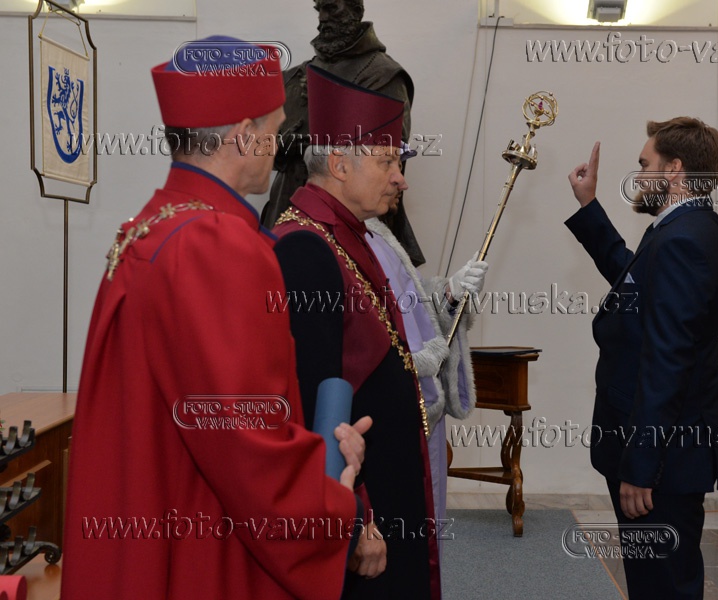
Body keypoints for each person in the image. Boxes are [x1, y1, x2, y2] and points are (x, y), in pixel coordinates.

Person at [61, 37, 384, 600]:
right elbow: (246, 443)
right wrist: (336, 501)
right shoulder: (216, 244)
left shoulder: (151, 226)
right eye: (275, 129)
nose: (278, 145)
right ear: (242, 134)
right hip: (208, 543)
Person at [271, 65, 439, 599]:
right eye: (388, 161)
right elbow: (310, 407)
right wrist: (354, 517)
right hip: (363, 505)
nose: (401, 177)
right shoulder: (305, 248)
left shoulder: (349, 236)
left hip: (385, 490)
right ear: (340, 164)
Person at [565, 118, 718, 600]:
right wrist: (589, 206)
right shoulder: (682, 228)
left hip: (664, 460)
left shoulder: (683, 239)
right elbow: (632, 279)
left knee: (662, 587)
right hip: (665, 453)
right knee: (654, 584)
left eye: (645, 164)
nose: (638, 176)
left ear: (674, 169)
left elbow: (667, 363)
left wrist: (640, 467)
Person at [262, 0, 423, 269]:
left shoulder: (384, 75)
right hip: (285, 212)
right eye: (319, 10)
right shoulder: (293, 77)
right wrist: (281, 146)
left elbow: (387, 156)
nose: (323, 18)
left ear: (355, 11)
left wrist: (305, 145)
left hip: (350, 221)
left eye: (332, 8)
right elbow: (265, 152)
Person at [366, 194, 485, 549]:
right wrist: (417, 359)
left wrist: (450, 293)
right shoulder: (335, 239)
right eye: (388, 166)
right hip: (384, 416)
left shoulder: (378, 234)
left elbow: (416, 312)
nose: (400, 179)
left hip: (418, 409)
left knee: (419, 541)